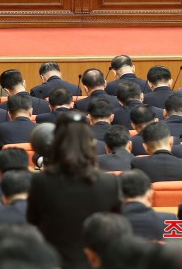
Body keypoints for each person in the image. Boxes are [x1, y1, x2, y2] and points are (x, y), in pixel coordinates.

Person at [27, 111, 122, 269]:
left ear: (56, 142)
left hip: (52, 262)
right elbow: (116, 227)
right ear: (91, 143)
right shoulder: (109, 182)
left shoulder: (40, 181)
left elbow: (33, 222)